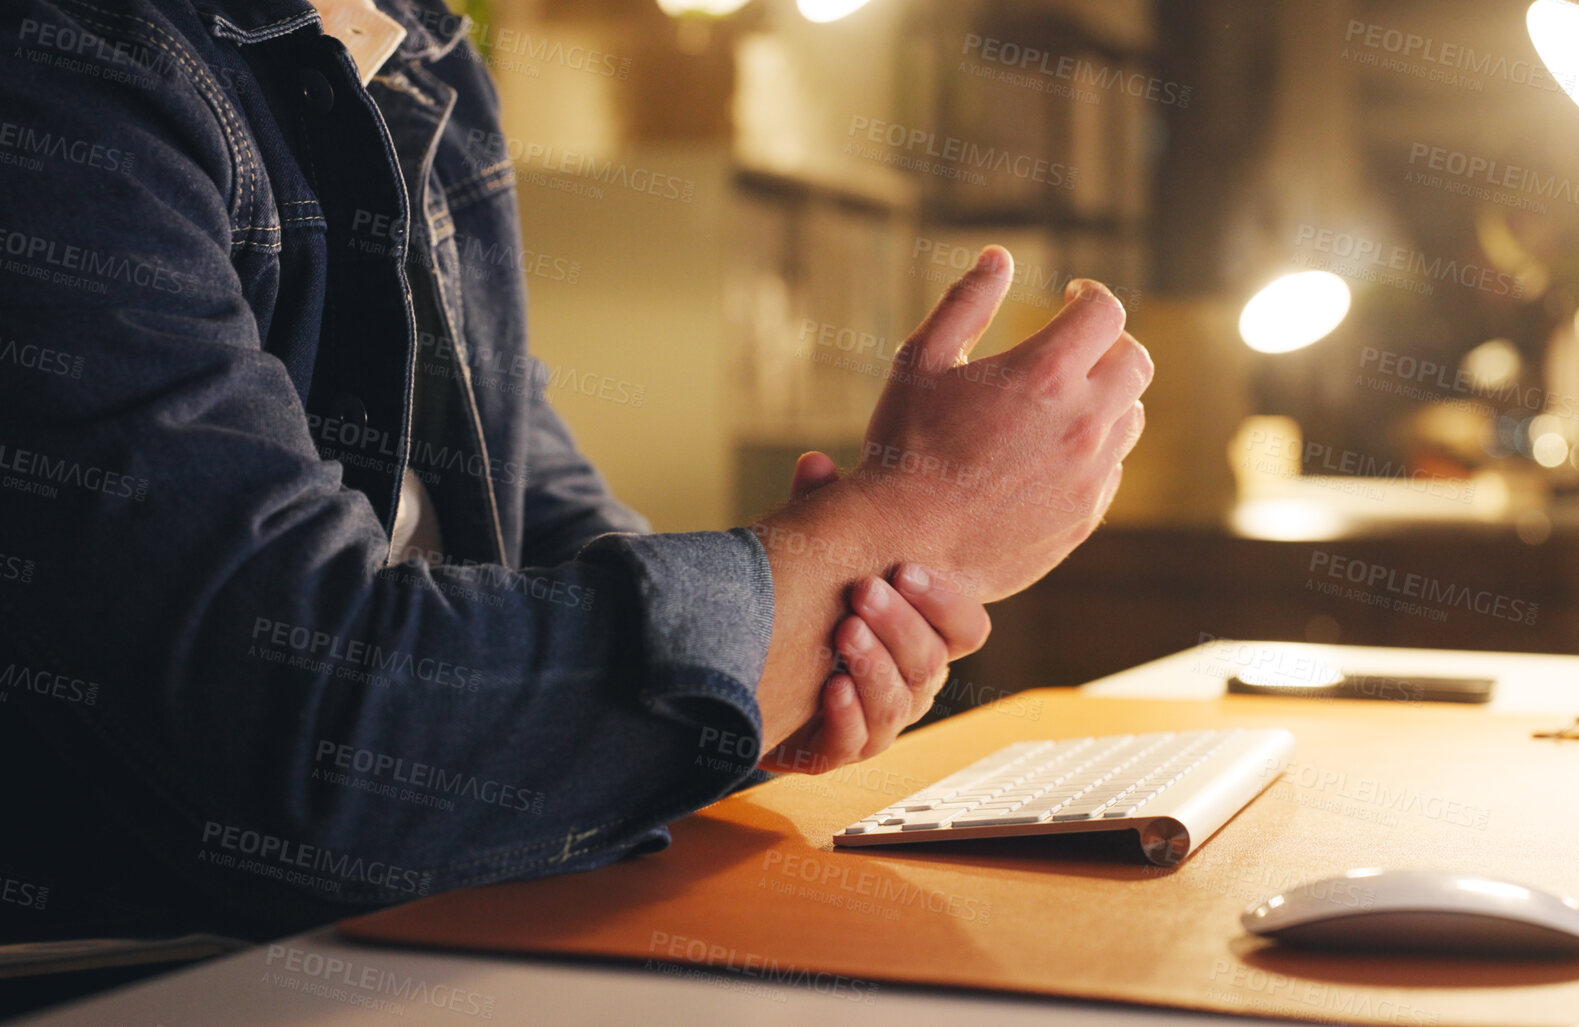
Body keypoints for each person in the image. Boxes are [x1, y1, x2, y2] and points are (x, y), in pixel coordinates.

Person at [0, 0, 1149, 945]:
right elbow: (298, 719)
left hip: (421, 923)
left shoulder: (421, 59)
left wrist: (803, 637)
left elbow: (539, 515)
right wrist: (907, 521)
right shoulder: (70, 66)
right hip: (139, 966)